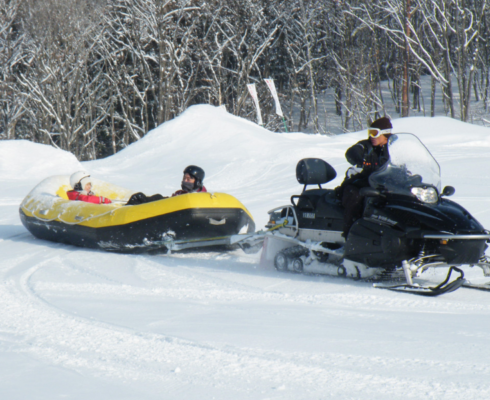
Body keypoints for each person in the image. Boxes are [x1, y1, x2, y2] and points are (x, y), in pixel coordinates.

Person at [338, 116, 393, 237]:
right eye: (370, 133)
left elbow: (405, 159)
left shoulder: (394, 147)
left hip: (386, 184)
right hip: (361, 182)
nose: (371, 136)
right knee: (355, 196)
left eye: (374, 133)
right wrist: (359, 159)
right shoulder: (367, 146)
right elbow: (353, 151)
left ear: (385, 134)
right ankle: (350, 235)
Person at [126, 165, 207, 205]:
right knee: (157, 197)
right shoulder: (180, 193)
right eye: (184, 178)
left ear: (197, 182)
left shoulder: (203, 197)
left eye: (188, 179)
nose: (185, 181)